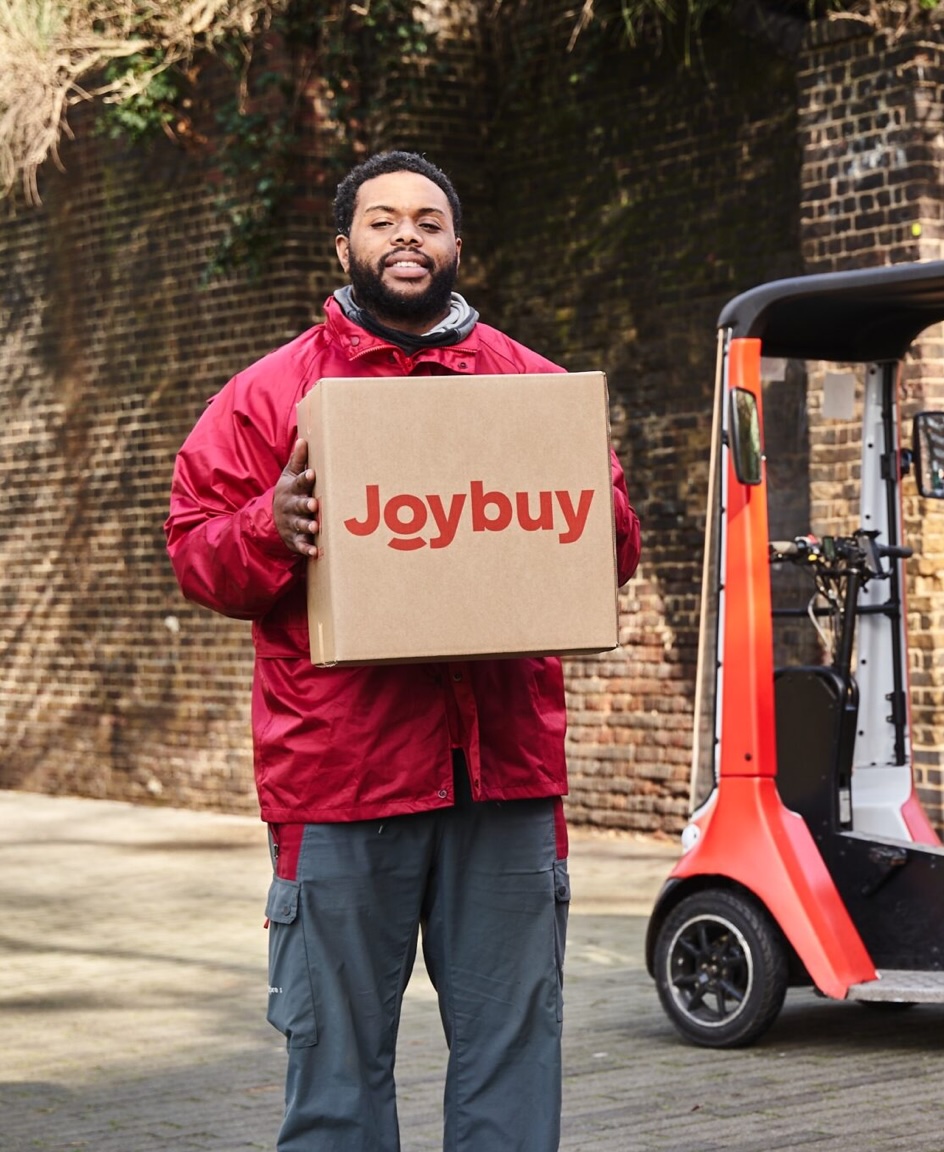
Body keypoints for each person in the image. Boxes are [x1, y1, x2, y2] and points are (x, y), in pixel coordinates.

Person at [164, 150, 641, 1152]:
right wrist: (269, 525)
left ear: (458, 244)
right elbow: (193, 547)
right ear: (344, 245)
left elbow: (612, 548)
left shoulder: (535, 389)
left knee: (512, 1068)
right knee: (334, 1070)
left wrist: (597, 518)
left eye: (428, 219)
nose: (406, 236)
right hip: (340, 783)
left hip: (503, 783)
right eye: (381, 221)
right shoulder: (269, 396)